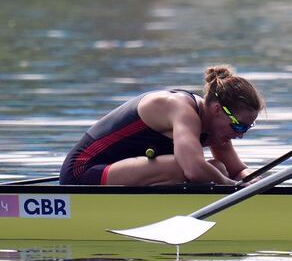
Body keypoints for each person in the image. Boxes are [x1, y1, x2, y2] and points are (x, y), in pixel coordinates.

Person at [60, 65, 263, 186]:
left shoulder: (216, 126)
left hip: (118, 171)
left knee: (218, 167)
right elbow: (193, 170)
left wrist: (258, 183)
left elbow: (238, 170)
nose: (241, 135)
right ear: (218, 109)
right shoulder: (180, 109)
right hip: (83, 172)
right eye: (239, 127)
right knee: (184, 168)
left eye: (247, 128)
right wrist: (233, 186)